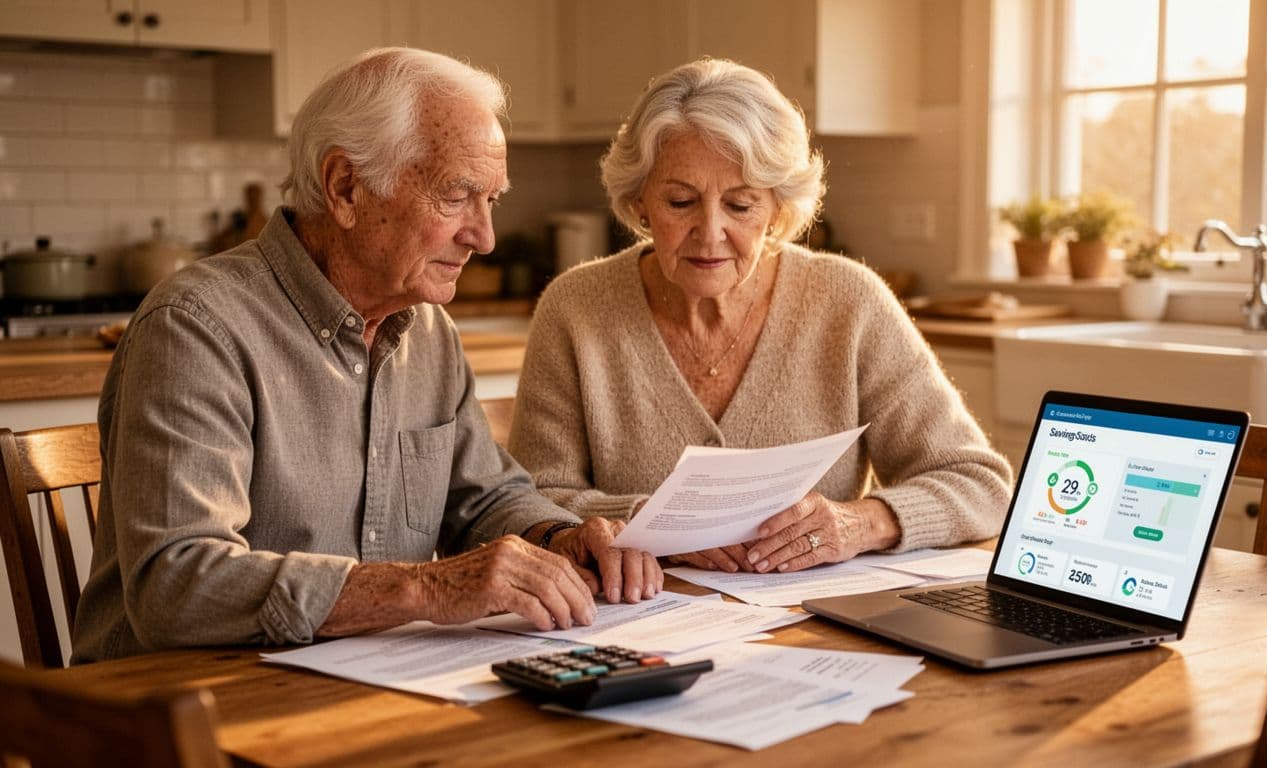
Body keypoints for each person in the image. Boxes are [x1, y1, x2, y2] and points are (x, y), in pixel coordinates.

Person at [71, 48, 662, 663]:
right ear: (346, 187)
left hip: (360, 684)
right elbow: (176, 584)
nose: (483, 236)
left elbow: (482, 499)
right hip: (172, 714)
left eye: (492, 201)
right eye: (457, 196)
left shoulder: (427, 329)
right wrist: (425, 588)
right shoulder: (196, 328)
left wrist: (559, 538)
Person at [508, 59, 1013, 574]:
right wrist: (649, 526)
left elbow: (979, 484)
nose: (710, 232)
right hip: (636, 627)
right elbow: (526, 506)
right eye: (680, 201)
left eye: (741, 206)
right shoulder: (575, 308)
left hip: (809, 634)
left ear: (778, 209)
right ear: (639, 202)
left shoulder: (848, 302)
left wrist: (859, 523)